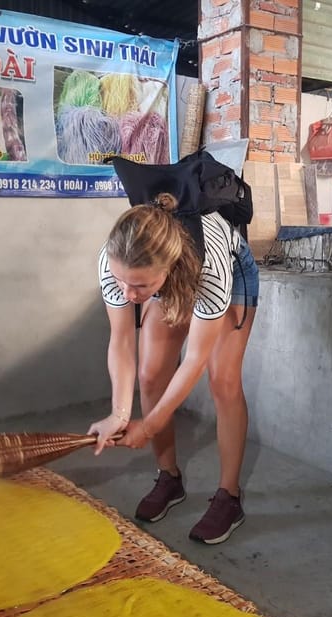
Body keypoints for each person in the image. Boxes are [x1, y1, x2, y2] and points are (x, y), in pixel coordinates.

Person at [88, 192, 259, 545]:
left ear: (166, 267)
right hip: (171, 276)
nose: (128, 293)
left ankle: (229, 496)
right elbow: (121, 341)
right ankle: (169, 477)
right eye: (122, 282)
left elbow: (195, 358)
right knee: (151, 374)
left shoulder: (210, 266)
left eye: (140, 287)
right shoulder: (115, 261)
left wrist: (148, 427)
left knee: (222, 380)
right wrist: (119, 414)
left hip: (228, 271)